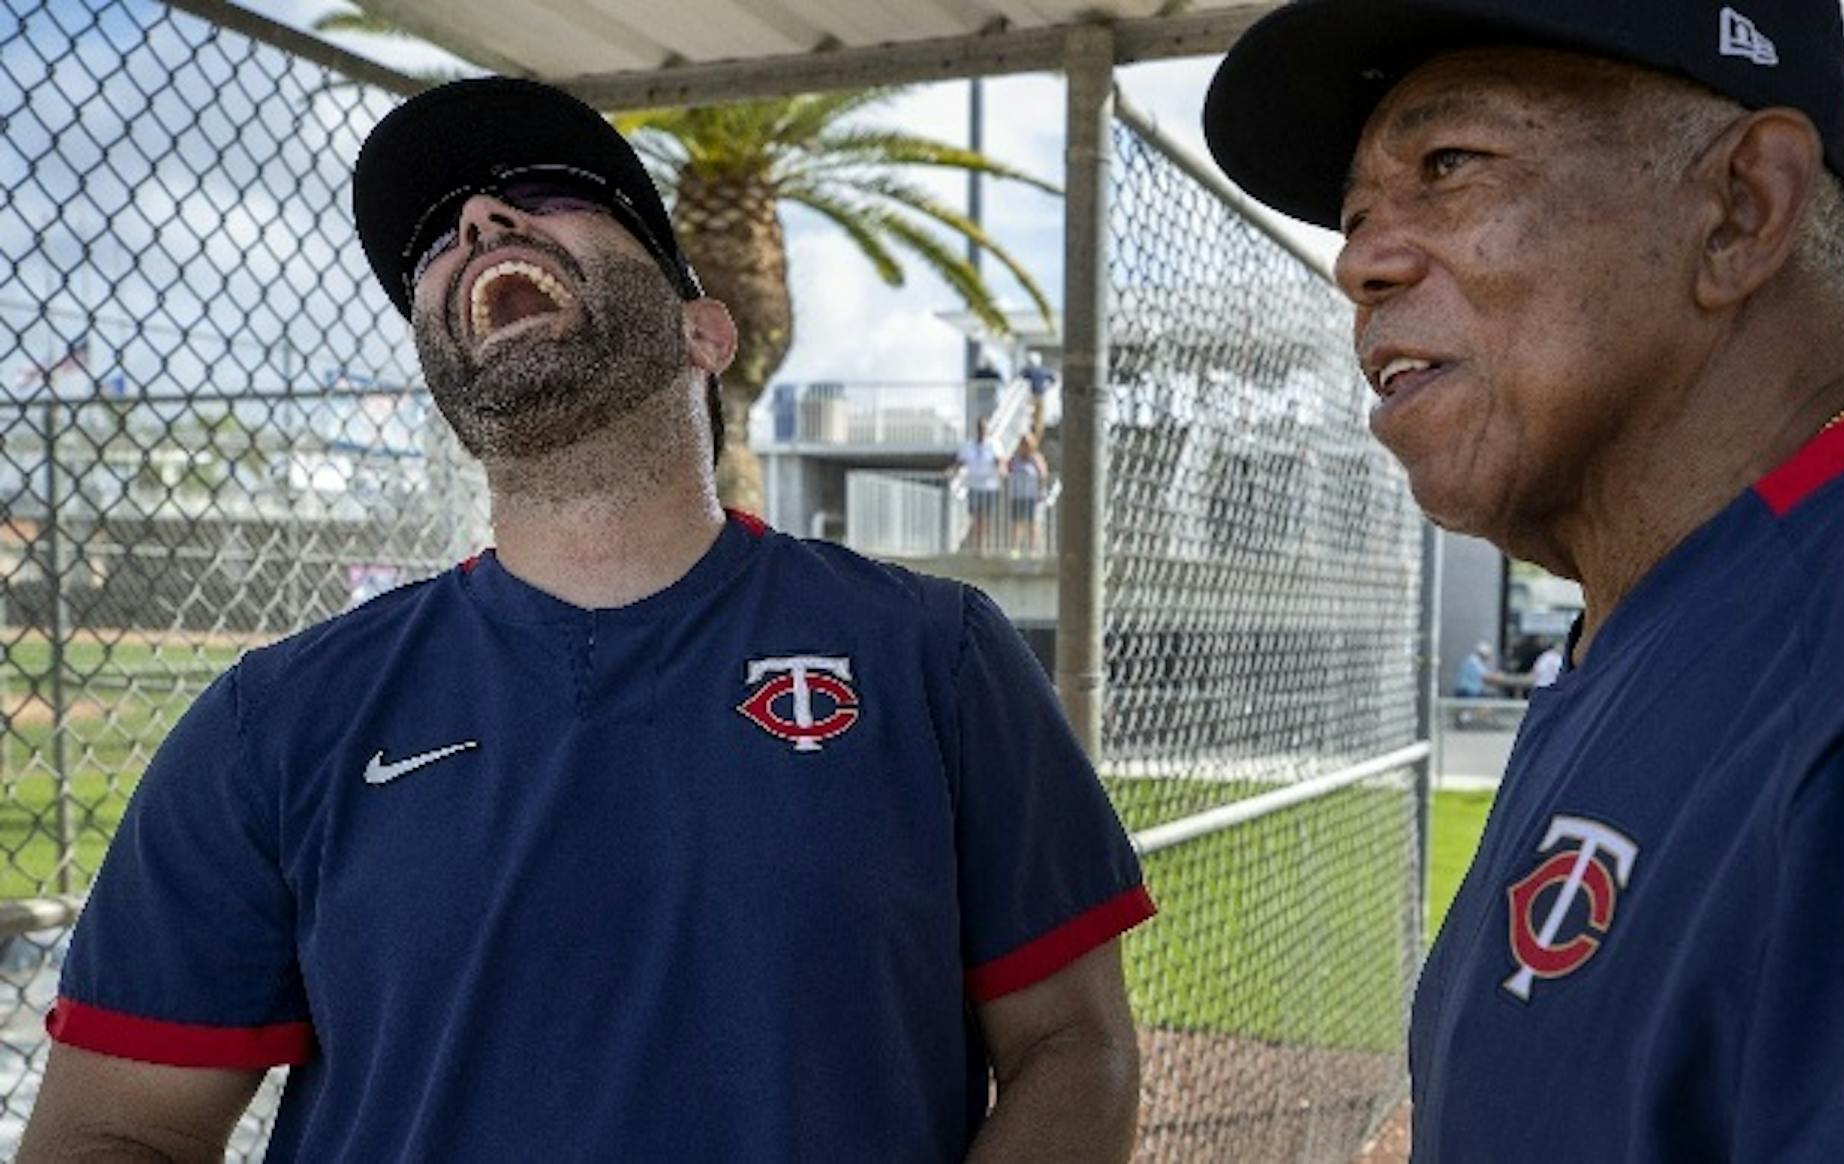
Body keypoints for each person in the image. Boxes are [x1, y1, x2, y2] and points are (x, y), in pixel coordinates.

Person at [24, 77, 1153, 1163]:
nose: (476, 220)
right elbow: (113, 1130)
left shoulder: (935, 656)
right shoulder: (270, 722)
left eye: (556, 189)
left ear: (704, 333)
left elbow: (1075, 1046)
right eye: (433, 244)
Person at [1206, 1, 1844, 1158]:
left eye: (1449, 166)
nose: (1361, 261)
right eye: (1357, 216)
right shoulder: (1663, 619)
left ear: (1742, 209)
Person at [952, 416, 1005, 553]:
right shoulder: (969, 445)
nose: (982, 430)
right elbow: (960, 462)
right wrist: (952, 471)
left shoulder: (994, 444)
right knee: (974, 516)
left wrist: (1001, 471)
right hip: (974, 486)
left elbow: (999, 462)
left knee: (985, 517)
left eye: (984, 427)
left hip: (989, 487)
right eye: (979, 427)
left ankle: (983, 546)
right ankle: (976, 545)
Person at [1006, 430, 1048, 554]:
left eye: (1027, 443)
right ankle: (1015, 549)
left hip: (1033, 496)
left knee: (1033, 524)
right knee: (1017, 523)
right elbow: (1007, 468)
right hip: (1018, 495)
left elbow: (1043, 474)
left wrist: (1041, 491)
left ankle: (1033, 550)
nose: (1025, 446)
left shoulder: (1036, 458)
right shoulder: (1016, 458)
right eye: (1023, 443)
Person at [1018, 350, 1059, 440]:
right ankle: (1036, 436)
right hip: (1041, 396)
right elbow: (1054, 379)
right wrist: (1047, 387)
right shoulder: (1044, 370)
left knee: (1029, 416)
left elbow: (1021, 376)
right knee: (1039, 419)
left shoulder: (1028, 370)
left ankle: (1029, 436)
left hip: (1032, 396)